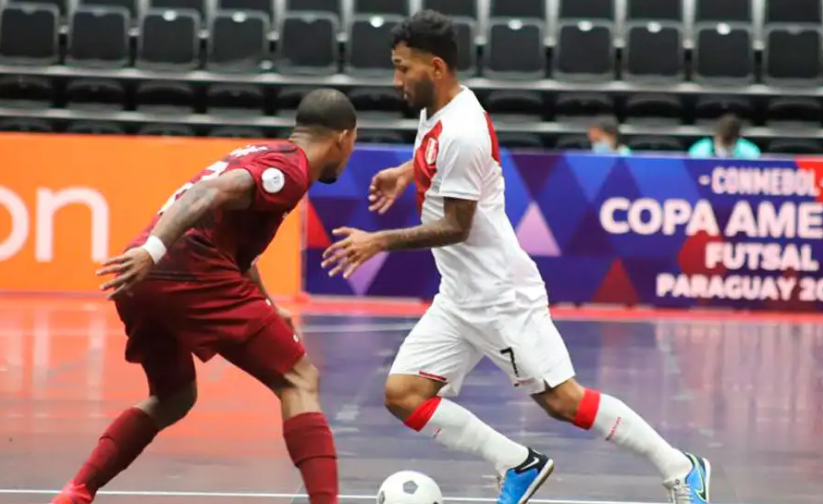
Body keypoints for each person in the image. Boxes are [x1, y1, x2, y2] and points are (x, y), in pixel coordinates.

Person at [321, 10, 712, 504]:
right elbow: (434, 155)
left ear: (436, 67)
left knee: (563, 401)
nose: (396, 79)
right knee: (403, 394)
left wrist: (378, 241)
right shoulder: (437, 111)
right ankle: (518, 465)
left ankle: (681, 467)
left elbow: (455, 227)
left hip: (501, 296)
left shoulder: (464, 129)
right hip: (459, 297)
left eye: (404, 68)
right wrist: (405, 172)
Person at [51, 88, 358, 504]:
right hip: (183, 270)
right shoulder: (289, 170)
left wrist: (269, 304)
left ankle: (77, 491)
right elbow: (204, 196)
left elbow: (239, 253)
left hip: (142, 280)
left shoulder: (261, 151)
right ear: (344, 138)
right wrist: (153, 251)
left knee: (173, 396)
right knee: (299, 379)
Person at [688, 113, 760, 159]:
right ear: (716, 134)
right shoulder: (699, 150)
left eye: (730, 140)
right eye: (724, 139)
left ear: (738, 136)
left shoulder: (750, 151)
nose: (726, 143)